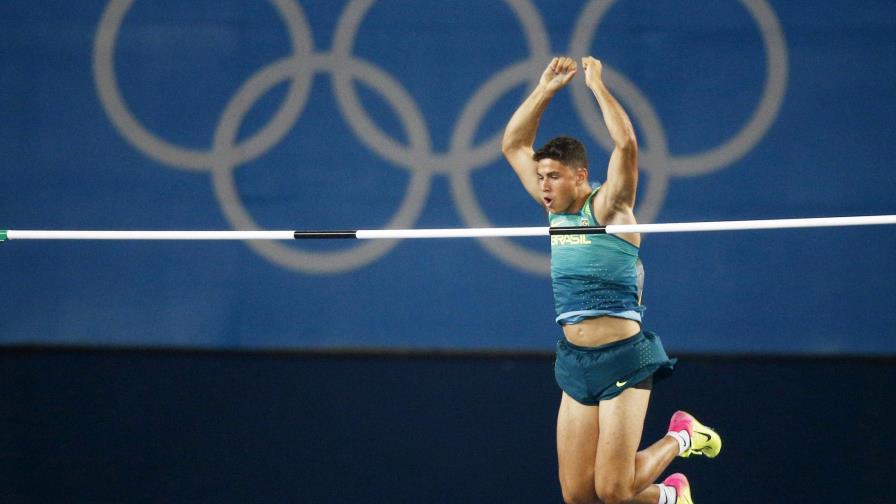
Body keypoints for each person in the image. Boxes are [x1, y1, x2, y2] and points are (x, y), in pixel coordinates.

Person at [501, 56, 722, 504]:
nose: (544, 186)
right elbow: (513, 145)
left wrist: (597, 87)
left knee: (614, 490)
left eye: (554, 177)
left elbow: (626, 144)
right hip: (576, 361)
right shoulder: (555, 212)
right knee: (578, 496)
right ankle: (670, 497)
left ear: (580, 176)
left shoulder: (609, 207)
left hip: (623, 358)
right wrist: (545, 89)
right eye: (540, 177)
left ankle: (681, 436)